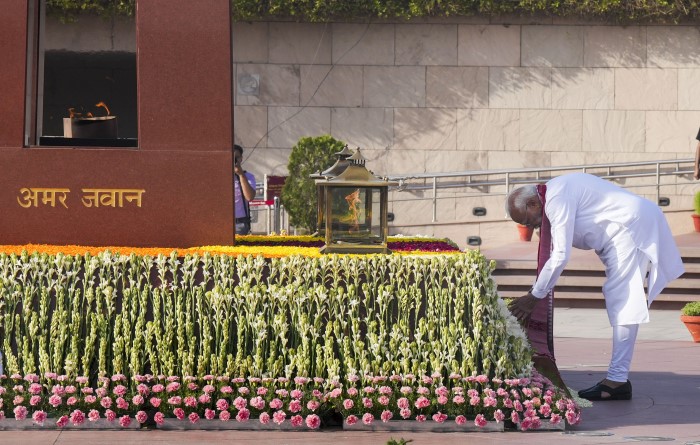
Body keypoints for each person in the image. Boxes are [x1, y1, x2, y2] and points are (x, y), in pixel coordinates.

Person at [506, 172, 684, 401]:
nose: (528, 226)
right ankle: (617, 379)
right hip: (618, 234)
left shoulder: (556, 199)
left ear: (532, 202)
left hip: (629, 227)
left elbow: (560, 255)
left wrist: (534, 296)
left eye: (526, 219)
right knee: (619, 298)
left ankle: (617, 381)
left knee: (624, 300)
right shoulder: (552, 194)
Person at [233, 144, 256, 235]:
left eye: (236, 157)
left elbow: (249, 197)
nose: (234, 160)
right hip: (222, 222)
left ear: (241, 158)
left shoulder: (248, 176)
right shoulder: (219, 176)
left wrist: (241, 174)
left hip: (240, 223)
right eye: (232, 157)